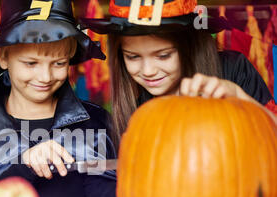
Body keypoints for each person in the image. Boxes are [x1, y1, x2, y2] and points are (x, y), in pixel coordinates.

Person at [0, 0, 128, 197]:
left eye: (58, 63)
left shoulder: (96, 125)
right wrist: (21, 167)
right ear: (3, 57)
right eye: (31, 63)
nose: (45, 77)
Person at [80, 0, 276, 148]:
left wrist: (240, 98)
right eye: (133, 57)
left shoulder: (233, 69)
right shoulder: (139, 110)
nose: (148, 71)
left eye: (164, 55)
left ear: (189, 46)